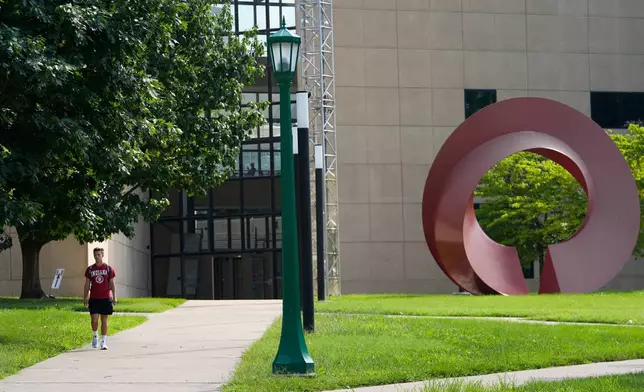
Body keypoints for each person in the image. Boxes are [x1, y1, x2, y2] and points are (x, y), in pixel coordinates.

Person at [83, 247, 117, 350]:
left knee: (104, 319)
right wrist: (85, 297)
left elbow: (112, 283)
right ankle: (95, 335)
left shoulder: (108, 269)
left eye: (99, 254)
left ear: (102, 255)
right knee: (94, 319)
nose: (97, 257)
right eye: (95, 255)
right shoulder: (90, 269)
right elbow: (87, 284)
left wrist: (115, 296)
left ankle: (104, 341)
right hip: (94, 298)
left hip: (105, 297)